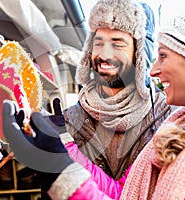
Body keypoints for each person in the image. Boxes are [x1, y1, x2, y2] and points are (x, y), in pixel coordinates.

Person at [2, 5, 185, 200]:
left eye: (117, 44)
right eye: (98, 43)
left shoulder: (167, 120)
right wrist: (61, 148)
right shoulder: (179, 125)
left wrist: (60, 171)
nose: (154, 70)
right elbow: (123, 193)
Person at [62, 0, 173, 180]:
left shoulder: (169, 117)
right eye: (98, 43)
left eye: (117, 44)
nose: (105, 55)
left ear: (139, 54)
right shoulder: (66, 122)